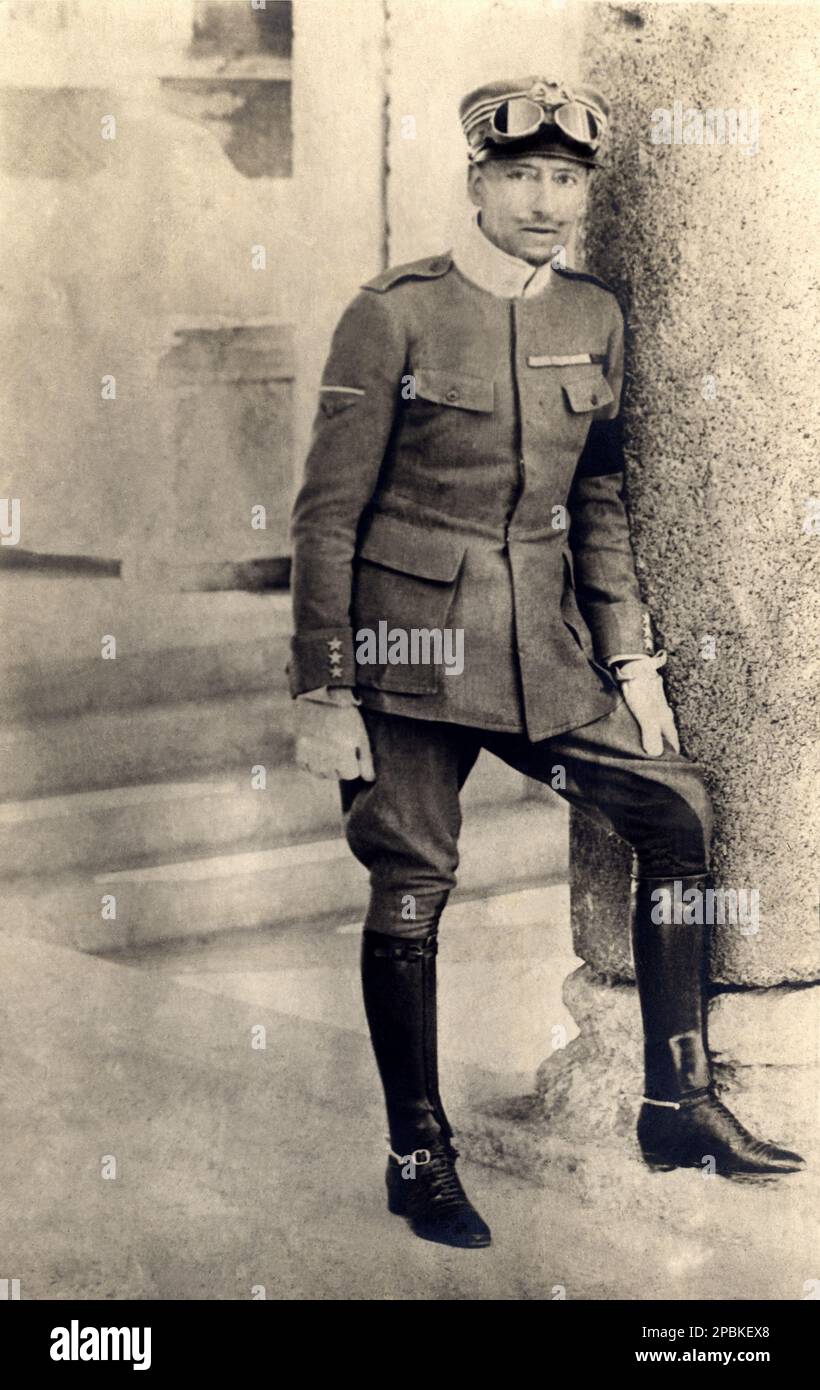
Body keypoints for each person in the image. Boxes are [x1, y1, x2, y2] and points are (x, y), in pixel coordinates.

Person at [287, 78, 804, 1249]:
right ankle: (418, 1154)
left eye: (565, 178)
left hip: (541, 649)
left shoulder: (595, 314)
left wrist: (633, 661)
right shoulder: (394, 315)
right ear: (476, 183)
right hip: (404, 653)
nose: (544, 198)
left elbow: (602, 497)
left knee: (677, 812)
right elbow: (325, 514)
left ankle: (676, 1102)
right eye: (520, 174)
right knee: (413, 883)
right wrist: (322, 688)